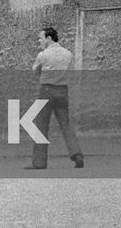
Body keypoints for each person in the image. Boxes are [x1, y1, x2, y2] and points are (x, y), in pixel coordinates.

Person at [27, 26, 84, 170]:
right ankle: (77, 154)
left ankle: (39, 162)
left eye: (41, 38)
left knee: (41, 126)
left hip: (46, 90)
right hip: (62, 91)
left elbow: (35, 71)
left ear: (49, 38)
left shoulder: (43, 55)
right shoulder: (67, 54)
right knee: (66, 124)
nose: (39, 41)